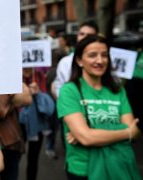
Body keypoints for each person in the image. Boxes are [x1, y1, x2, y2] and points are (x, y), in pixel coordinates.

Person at [57, 35, 141, 179]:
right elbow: (86, 138)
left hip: (118, 167)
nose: (100, 61)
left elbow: (136, 133)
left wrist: (90, 132)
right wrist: (126, 132)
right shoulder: (69, 91)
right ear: (79, 60)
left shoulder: (118, 90)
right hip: (84, 171)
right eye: (92, 55)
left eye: (104, 55)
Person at [19, 68, 55, 180]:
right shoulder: (14, 75)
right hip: (19, 124)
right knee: (15, 157)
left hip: (37, 123)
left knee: (33, 158)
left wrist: (37, 92)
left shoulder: (39, 75)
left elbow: (47, 103)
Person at [53, 20, 99, 98]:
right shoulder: (65, 62)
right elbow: (59, 88)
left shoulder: (102, 62)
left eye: (89, 35)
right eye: (81, 34)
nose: (84, 37)